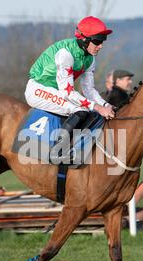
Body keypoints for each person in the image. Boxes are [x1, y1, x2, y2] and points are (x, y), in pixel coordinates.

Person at [25, 16, 116, 162]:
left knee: (89, 109)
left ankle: (77, 146)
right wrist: (97, 107)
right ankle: (57, 151)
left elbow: (89, 90)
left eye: (102, 41)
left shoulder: (90, 58)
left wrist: (105, 105)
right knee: (80, 110)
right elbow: (67, 92)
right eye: (98, 41)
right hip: (38, 89)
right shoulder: (66, 54)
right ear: (84, 39)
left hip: (57, 92)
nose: (101, 46)